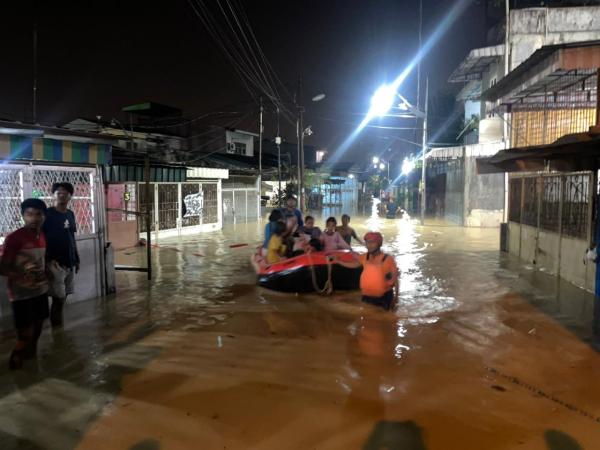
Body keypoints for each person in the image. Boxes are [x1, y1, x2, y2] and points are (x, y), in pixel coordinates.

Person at [0, 198, 49, 369]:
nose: (34, 218)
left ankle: (31, 360)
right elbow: (2, 267)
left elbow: (40, 261)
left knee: (38, 326)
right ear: (23, 216)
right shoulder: (14, 238)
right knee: (25, 332)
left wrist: (46, 274)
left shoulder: (42, 236)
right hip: (21, 293)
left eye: (38, 214)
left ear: (44, 216)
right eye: (29, 214)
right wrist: (21, 276)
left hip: (40, 290)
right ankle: (16, 360)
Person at [43, 182, 80, 328]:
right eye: (58, 192)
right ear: (53, 195)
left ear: (70, 196)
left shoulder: (70, 214)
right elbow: (41, 238)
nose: (62, 195)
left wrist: (77, 258)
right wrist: (46, 263)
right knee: (58, 299)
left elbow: (71, 237)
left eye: (65, 192)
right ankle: (57, 334)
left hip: (69, 262)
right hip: (54, 263)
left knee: (63, 298)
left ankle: (59, 333)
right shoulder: (48, 214)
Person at [336, 231, 399, 310]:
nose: (369, 245)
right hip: (367, 296)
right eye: (367, 242)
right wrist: (338, 261)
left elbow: (395, 279)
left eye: (372, 242)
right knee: (366, 319)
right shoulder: (364, 257)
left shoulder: (388, 259)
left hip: (384, 297)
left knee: (382, 320)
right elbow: (354, 264)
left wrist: (396, 297)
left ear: (379, 243)